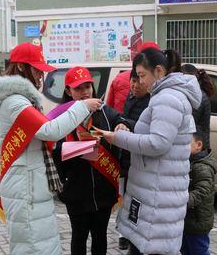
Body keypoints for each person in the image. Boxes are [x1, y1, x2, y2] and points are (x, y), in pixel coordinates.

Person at [0, 42, 102, 255]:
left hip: (29, 182)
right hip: (26, 187)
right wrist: (82, 106)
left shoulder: (18, 100)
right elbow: (50, 131)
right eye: (37, 70)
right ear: (24, 68)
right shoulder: (15, 102)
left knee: (37, 243)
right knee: (34, 246)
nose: (41, 76)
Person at [97, 48, 202, 255]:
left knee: (151, 248)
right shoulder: (165, 95)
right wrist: (127, 127)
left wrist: (116, 138)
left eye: (142, 75)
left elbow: (157, 143)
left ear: (159, 71)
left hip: (158, 194)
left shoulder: (167, 99)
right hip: (155, 189)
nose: (139, 81)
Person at [52, 66, 130, 255]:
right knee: (78, 237)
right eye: (78, 88)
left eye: (88, 86)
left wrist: (123, 124)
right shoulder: (61, 117)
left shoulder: (105, 113)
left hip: (103, 193)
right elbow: (54, 149)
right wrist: (78, 150)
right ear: (68, 91)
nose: (85, 92)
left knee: (100, 238)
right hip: (75, 192)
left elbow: (123, 121)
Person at [117, 68, 151, 250]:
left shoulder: (150, 102)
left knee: (136, 199)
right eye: (132, 81)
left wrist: (125, 124)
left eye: (138, 81)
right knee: (124, 196)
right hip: (125, 157)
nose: (134, 85)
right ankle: (124, 234)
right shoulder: (130, 98)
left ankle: (132, 237)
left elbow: (142, 128)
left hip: (138, 159)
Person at [181, 130, 217, 255]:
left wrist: (184, 200)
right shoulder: (191, 162)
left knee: (199, 251)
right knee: (185, 249)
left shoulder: (202, 167)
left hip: (198, 222)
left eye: (187, 143)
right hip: (188, 220)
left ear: (199, 145)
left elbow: (202, 191)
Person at [107, 41, 161, 113]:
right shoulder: (160, 85)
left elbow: (109, 107)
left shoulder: (119, 78)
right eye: (134, 80)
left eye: (142, 76)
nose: (137, 85)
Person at [181, 64, 217, 151]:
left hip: (195, 146)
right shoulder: (200, 94)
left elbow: (189, 123)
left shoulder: (196, 97)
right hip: (201, 144)